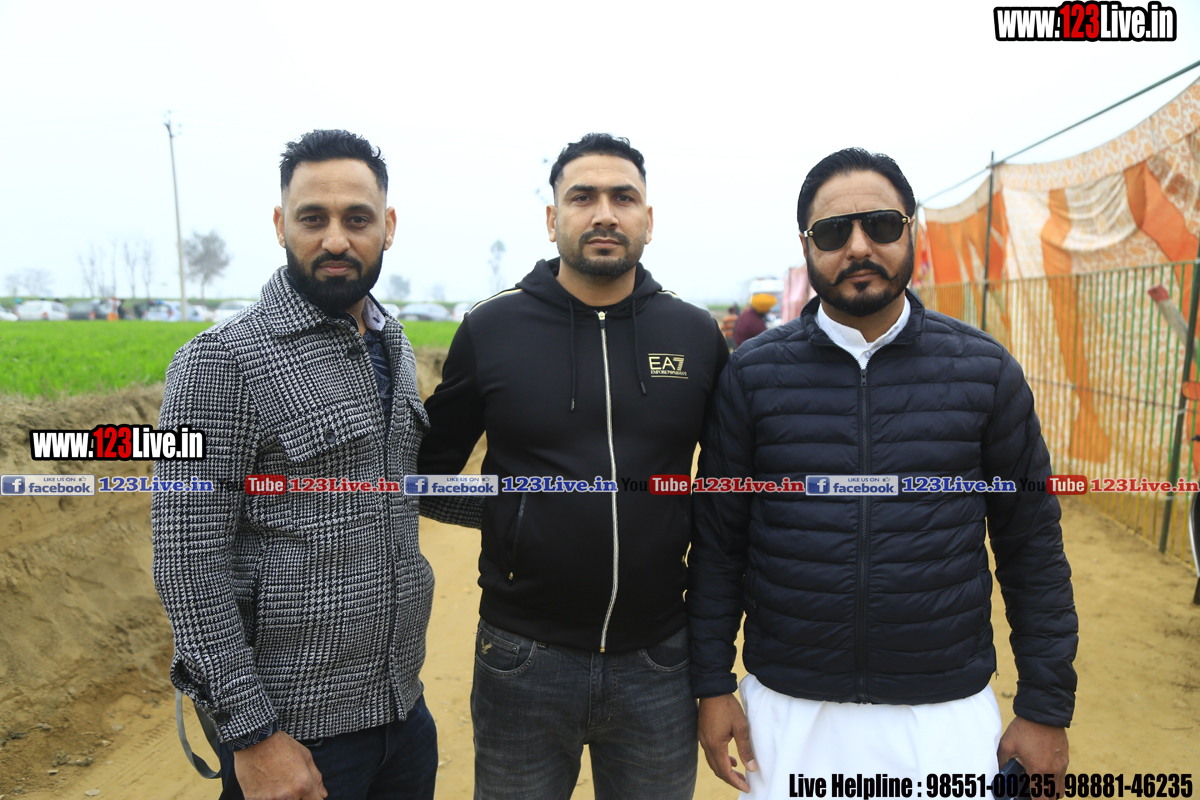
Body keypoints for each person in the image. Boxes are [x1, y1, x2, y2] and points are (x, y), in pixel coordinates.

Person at [687, 147, 1077, 797]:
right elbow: (719, 545)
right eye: (833, 232)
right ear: (806, 245)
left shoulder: (985, 372)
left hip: (943, 714)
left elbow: (1031, 545)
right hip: (789, 712)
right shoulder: (752, 376)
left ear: (911, 231)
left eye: (882, 225)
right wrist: (711, 683)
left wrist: (1045, 705)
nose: (859, 247)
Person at [418, 133, 729, 799]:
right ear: (552, 216)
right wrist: (516, 515)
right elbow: (425, 474)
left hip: (659, 660)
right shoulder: (492, 329)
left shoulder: (695, 334)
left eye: (624, 198)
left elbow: (725, 491)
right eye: (582, 197)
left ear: (649, 218)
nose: (604, 214)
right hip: (522, 658)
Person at [152, 129, 437, 800]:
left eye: (357, 219)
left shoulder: (392, 343)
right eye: (313, 219)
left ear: (389, 227)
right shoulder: (219, 362)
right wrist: (252, 736)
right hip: (295, 737)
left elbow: (396, 489)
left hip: (404, 717)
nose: (336, 240)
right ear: (281, 226)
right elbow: (187, 560)